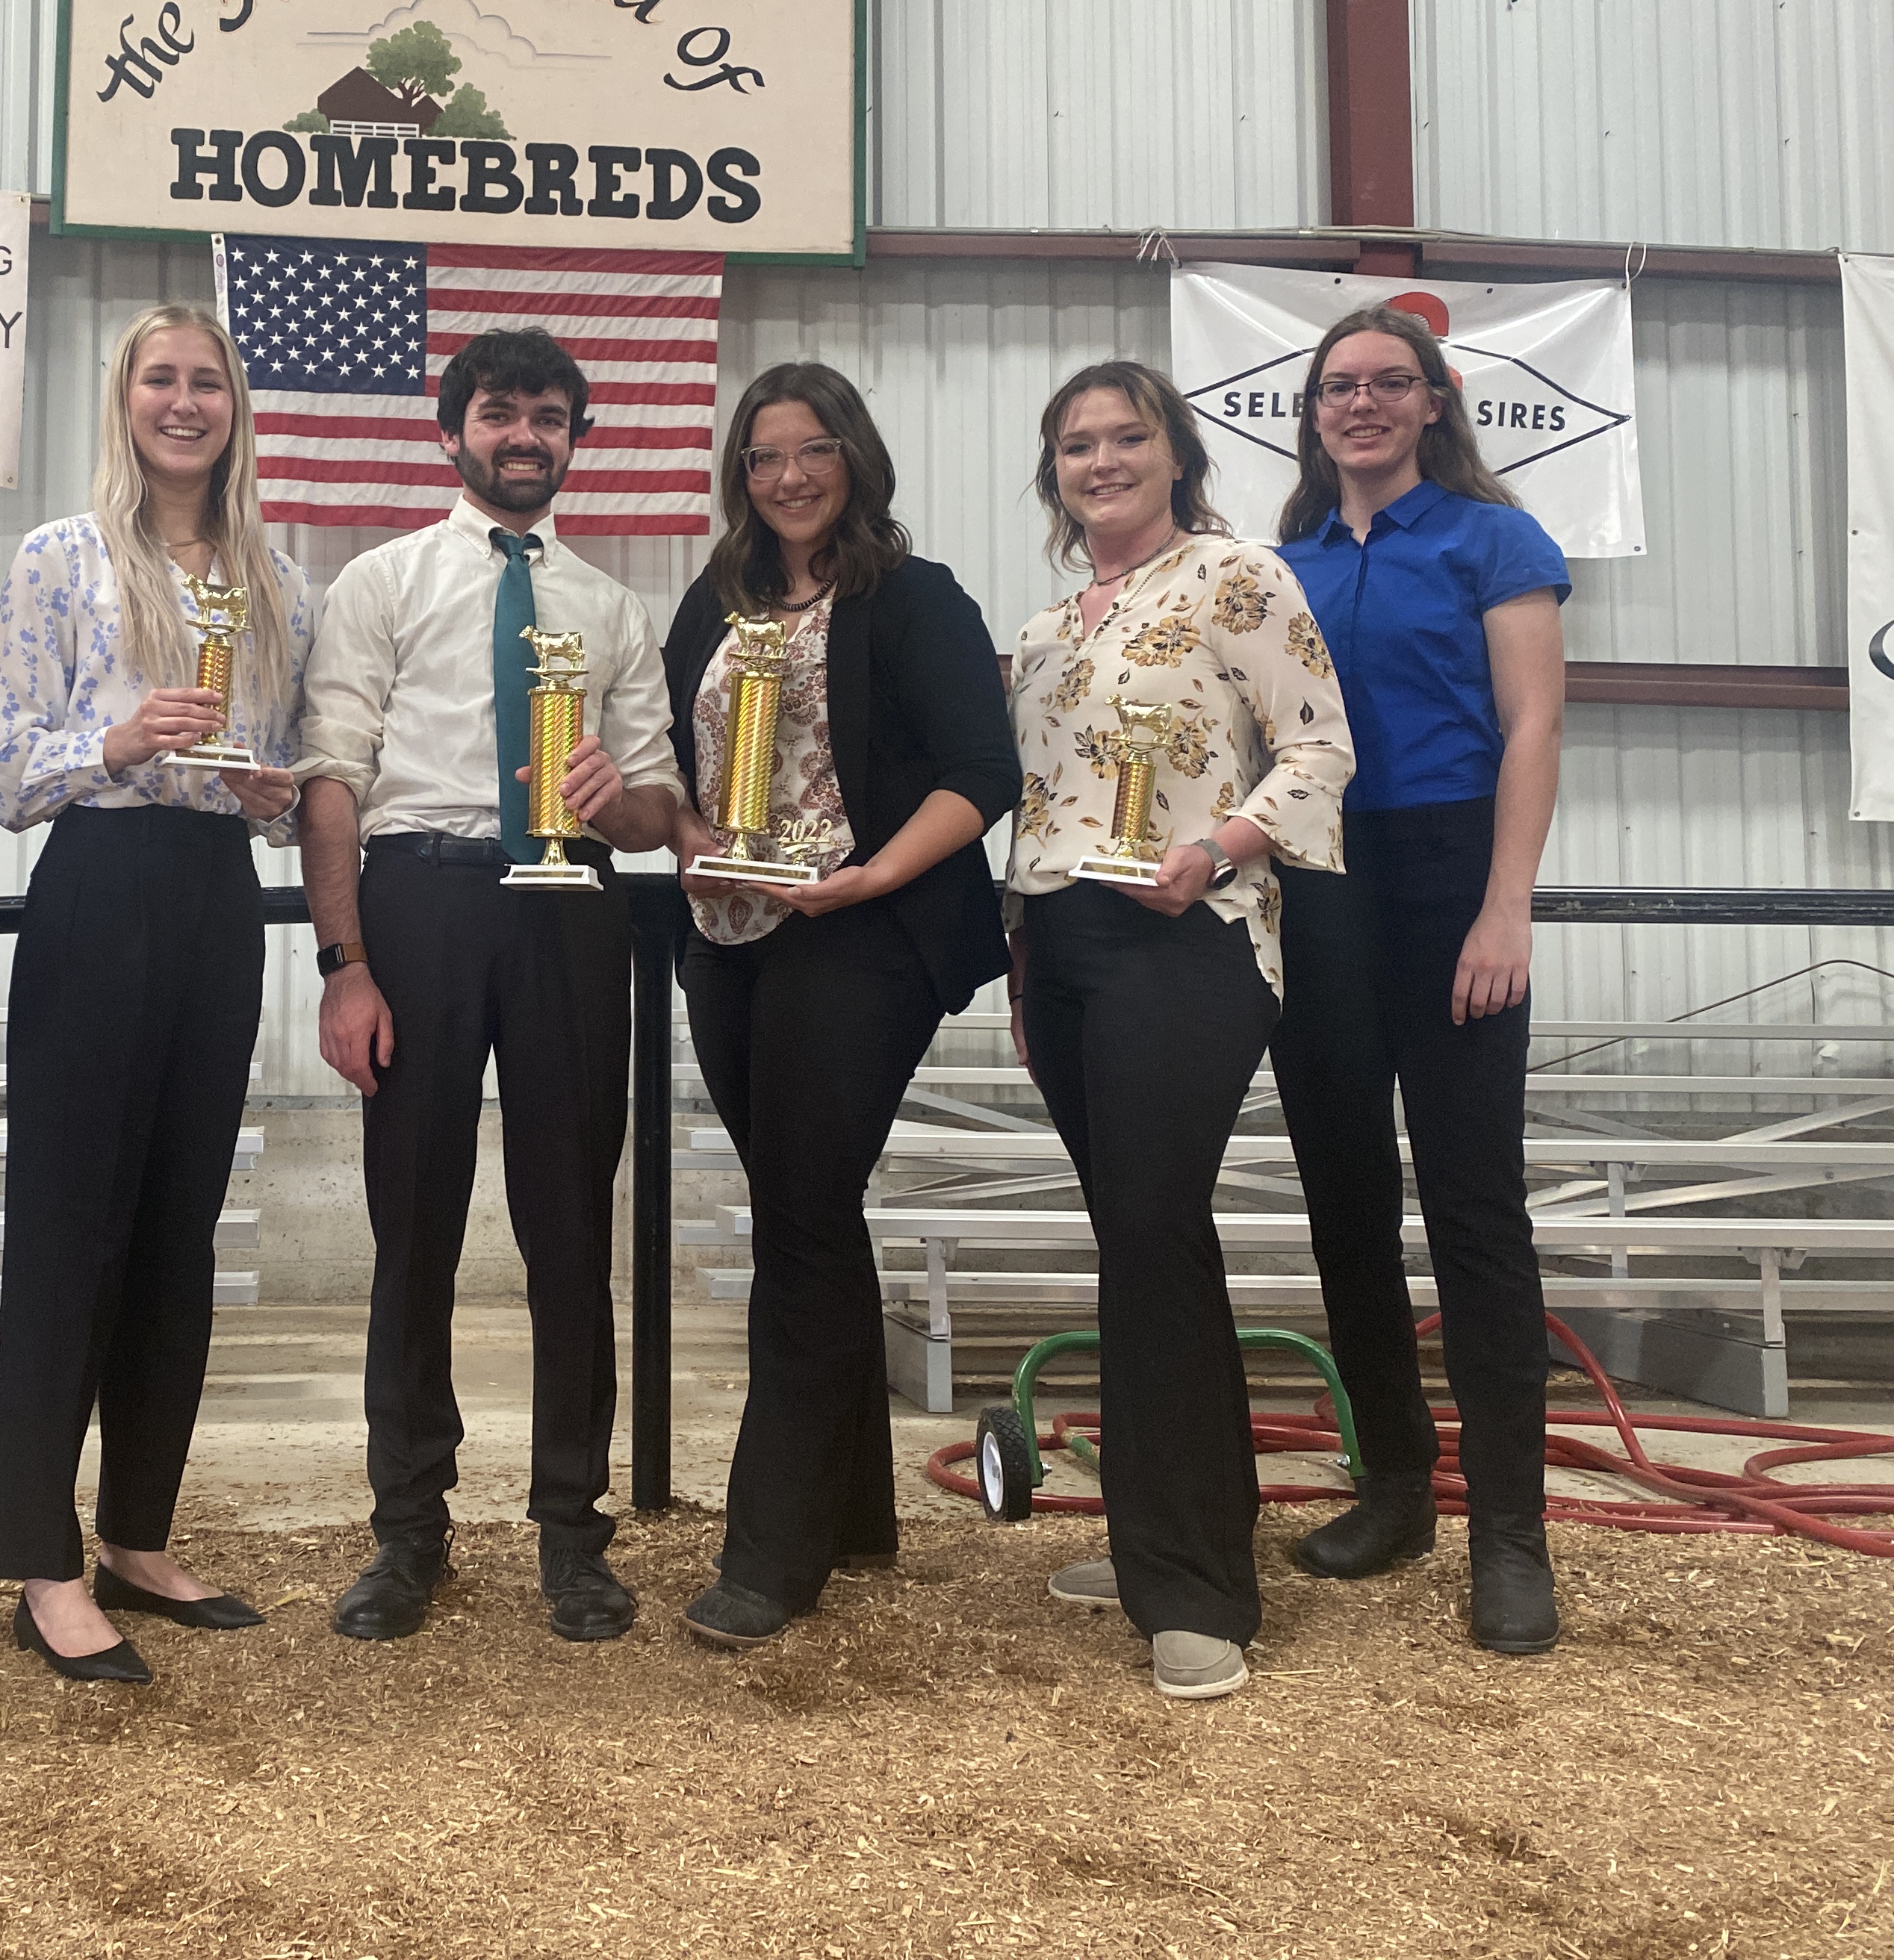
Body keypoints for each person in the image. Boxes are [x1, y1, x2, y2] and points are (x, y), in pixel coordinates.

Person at [296, 325, 692, 1646]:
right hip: (420, 896)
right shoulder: (382, 580)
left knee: (572, 1222)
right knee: (411, 1222)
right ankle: (410, 1531)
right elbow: (334, 778)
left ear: (576, 440)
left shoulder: (611, 607)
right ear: (452, 428)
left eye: (548, 417)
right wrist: (346, 964)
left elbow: (659, 808)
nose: (525, 436)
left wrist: (616, 798)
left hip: (573, 904)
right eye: (500, 413)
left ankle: (573, 1532)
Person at [1002, 359, 1355, 1702]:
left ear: (1173, 452)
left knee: (1150, 1225)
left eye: (1125, 437)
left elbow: (1320, 746)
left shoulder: (1238, 579)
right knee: (1145, 1238)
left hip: (1187, 933)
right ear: (1057, 472)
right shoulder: (1046, 629)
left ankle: (1197, 1585)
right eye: (1077, 444)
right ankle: (1162, 1526)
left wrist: (1224, 845)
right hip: (1063, 940)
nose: (1102, 461)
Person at [660, 362, 1022, 1649]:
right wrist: (694, 837)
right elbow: (676, 768)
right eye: (763, 457)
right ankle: (858, 1509)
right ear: (740, 477)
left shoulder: (914, 599)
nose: (789, 476)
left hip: (866, 931)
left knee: (801, 1219)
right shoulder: (714, 603)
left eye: (812, 450)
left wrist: (870, 876)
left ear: (855, 458)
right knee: (805, 1212)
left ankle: (772, 1552)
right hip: (731, 936)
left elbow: (985, 771)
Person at [0, 304, 313, 1684]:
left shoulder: (274, 575)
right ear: (122, 400)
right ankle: (40, 1562)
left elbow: (288, 784)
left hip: (214, 892)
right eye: (160, 379)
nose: (185, 402)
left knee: (180, 1225)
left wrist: (269, 790)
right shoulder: (62, 557)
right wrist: (116, 740)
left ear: (236, 407)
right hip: (96, 884)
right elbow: (2, 776)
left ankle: (135, 1532)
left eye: (209, 381)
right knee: (73, 1228)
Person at [1267, 303, 1569, 1655]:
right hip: (1322, 882)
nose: (1366, 404)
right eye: (1343, 386)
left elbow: (1534, 726)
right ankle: (1395, 1486)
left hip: (1453, 874)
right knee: (1344, 1199)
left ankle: (1512, 1531)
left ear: (1436, 403)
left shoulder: (1492, 543)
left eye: (1393, 383)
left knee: (1474, 1209)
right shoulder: (1282, 561)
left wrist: (1505, 907)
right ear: (1314, 411)